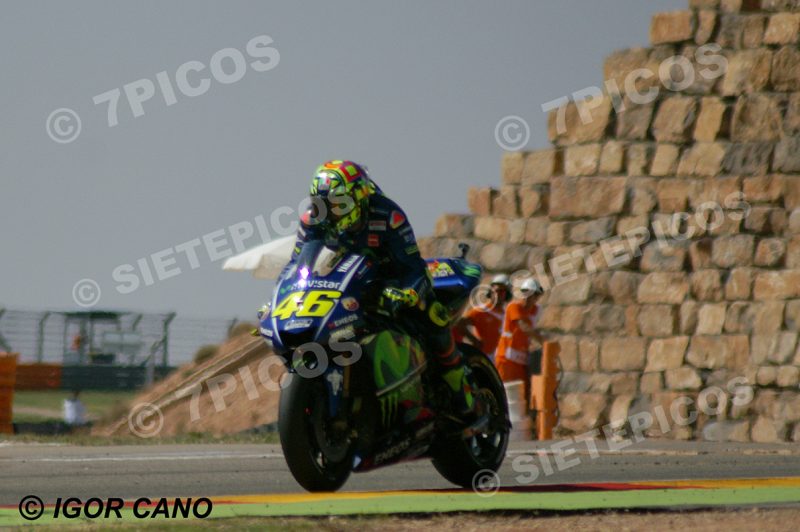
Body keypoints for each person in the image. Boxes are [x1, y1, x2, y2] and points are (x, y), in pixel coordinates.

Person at [288, 160, 479, 421]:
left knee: (432, 313)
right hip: (347, 282)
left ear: (358, 197)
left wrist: (409, 292)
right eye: (323, 204)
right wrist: (289, 296)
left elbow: (412, 265)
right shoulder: (313, 220)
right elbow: (299, 265)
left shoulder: (388, 215)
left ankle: (458, 386)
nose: (331, 212)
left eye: (338, 204)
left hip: (394, 277)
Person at [493, 278, 546, 404]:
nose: (527, 297)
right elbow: (523, 326)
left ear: (537, 297)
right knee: (506, 394)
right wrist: (545, 343)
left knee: (520, 397)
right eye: (525, 293)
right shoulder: (514, 307)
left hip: (521, 360)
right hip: (506, 359)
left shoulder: (536, 311)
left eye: (531, 294)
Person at [454, 274, 511, 360]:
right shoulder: (482, 310)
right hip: (482, 358)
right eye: (496, 290)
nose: (498, 294)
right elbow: (459, 323)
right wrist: (474, 340)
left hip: (500, 358)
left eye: (502, 291)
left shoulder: (507, 314)